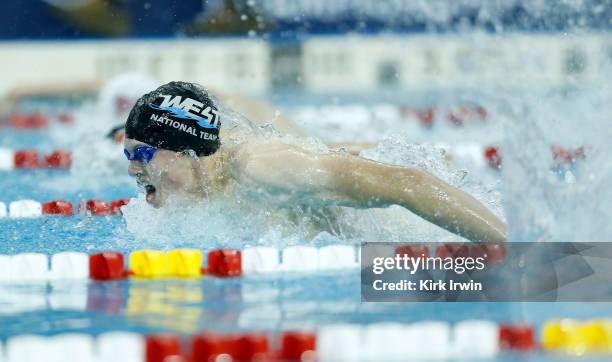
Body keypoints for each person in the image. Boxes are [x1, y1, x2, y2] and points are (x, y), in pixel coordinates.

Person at [124, 81, 506, 242]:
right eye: (129, 155)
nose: (132, 169)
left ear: (187, 151)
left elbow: (409, 183)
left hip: (426, 248)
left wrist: (524, 254)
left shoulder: (262, 170)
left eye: (142, 154)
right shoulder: (202, 176)